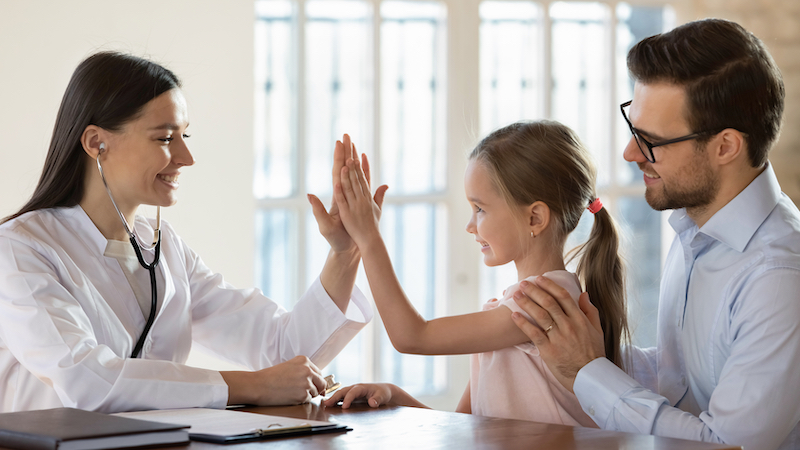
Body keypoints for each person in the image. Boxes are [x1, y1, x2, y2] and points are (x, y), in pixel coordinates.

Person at [0, 52, 384, 413]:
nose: (186, 158)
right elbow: (85, 379)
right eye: (165, 138)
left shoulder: (164, 251)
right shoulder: (20, 250)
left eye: (185, 136)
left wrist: (346, 252)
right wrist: (248, 386)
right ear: (97, 142)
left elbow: (285, 353)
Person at [510, 19, 800, 449]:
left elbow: (726, 444)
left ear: (725, 147)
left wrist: (589, 371)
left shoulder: (779, 276)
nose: (630, 153)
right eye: (633, 129)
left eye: (651, 141)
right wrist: (578, 354)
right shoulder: (694, 228)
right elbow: (681, 382)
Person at [323, 120, 629, 426]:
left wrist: (369, 238)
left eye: (480, 209)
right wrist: (393, 395)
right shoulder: (518, 308)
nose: (471, 225)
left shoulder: (543, 305)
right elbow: (466, 429)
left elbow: (412, 337)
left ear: (535, 218)